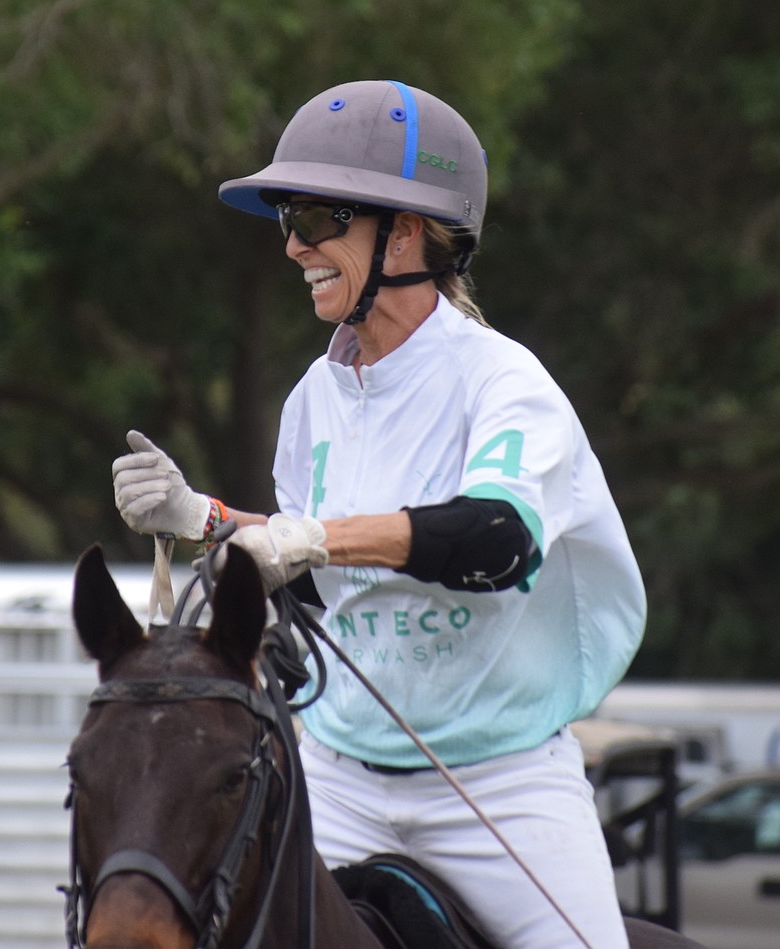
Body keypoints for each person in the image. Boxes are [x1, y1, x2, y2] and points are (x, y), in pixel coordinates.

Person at [112, 79, 646, 949]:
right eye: (289, 218)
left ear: (405, 232)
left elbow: (495, 538)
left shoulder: (503, 382)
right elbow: (321, 580)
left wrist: (314, 535)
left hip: (497, 781)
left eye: (318, 218)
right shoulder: (311, 401)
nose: (293, 246)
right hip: (339, 770)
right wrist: (204, 516)